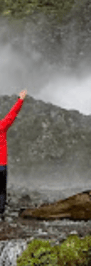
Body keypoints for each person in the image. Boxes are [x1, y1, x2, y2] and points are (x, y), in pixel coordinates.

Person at [0, 90, 27, 218]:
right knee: (1, 190)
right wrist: (20, 99)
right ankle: (1, 212)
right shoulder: (2, 127)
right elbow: (12, 114)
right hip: (2, 164)